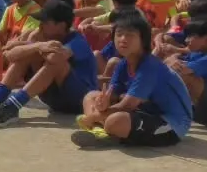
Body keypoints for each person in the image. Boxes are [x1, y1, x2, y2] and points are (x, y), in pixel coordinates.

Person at [72, 10, 192, 149]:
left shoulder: (150, 66)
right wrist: (102, 103)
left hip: (172, 125)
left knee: (116, 121)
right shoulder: (124, 63)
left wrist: (93, 116)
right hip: (144, 112)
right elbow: (113, 94)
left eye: (130, 35)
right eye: (119, 34)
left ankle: (101, 127)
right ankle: (101, 131)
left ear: (143, 40)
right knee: (90, 96)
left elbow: (127, 105)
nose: (123, 39)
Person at [0, 1, 98, 128]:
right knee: (27, 53)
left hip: (80, 101)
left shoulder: (77, 40)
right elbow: (8, 55)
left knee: (55, 62)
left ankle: (13, 106)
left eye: (46, 22)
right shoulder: (42, 37)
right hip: (55, 100)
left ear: (62, 25)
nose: (40, 25)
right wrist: (36, 45)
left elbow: (55, 57)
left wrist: (31, 46)